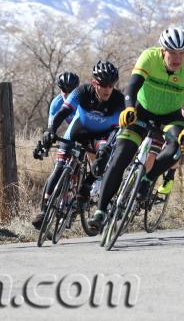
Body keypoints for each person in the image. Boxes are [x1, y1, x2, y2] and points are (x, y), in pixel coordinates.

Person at [88, 28, 184, 233]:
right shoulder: (149, 57)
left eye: (182, 53)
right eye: (172, 53)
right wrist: (130, 107)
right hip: (142, 111)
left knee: (178, 147)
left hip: (170, 116)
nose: (177, 58)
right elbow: (132, 86)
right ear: (162, 51)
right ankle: (101, 211)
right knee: (121, 157)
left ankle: (147, 179)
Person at [32, 61, 124, 229]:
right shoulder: (81, 92)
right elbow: (63, 112)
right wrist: (50, 131)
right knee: (60, 166)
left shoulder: (118, 100)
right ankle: (45, 210)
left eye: (111, 86)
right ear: (94, 82)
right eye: (103, 85)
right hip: (79, 130)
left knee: (103, 157)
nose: (107, 90)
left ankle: (86, 186)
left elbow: (119, 128)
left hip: (102, 135)